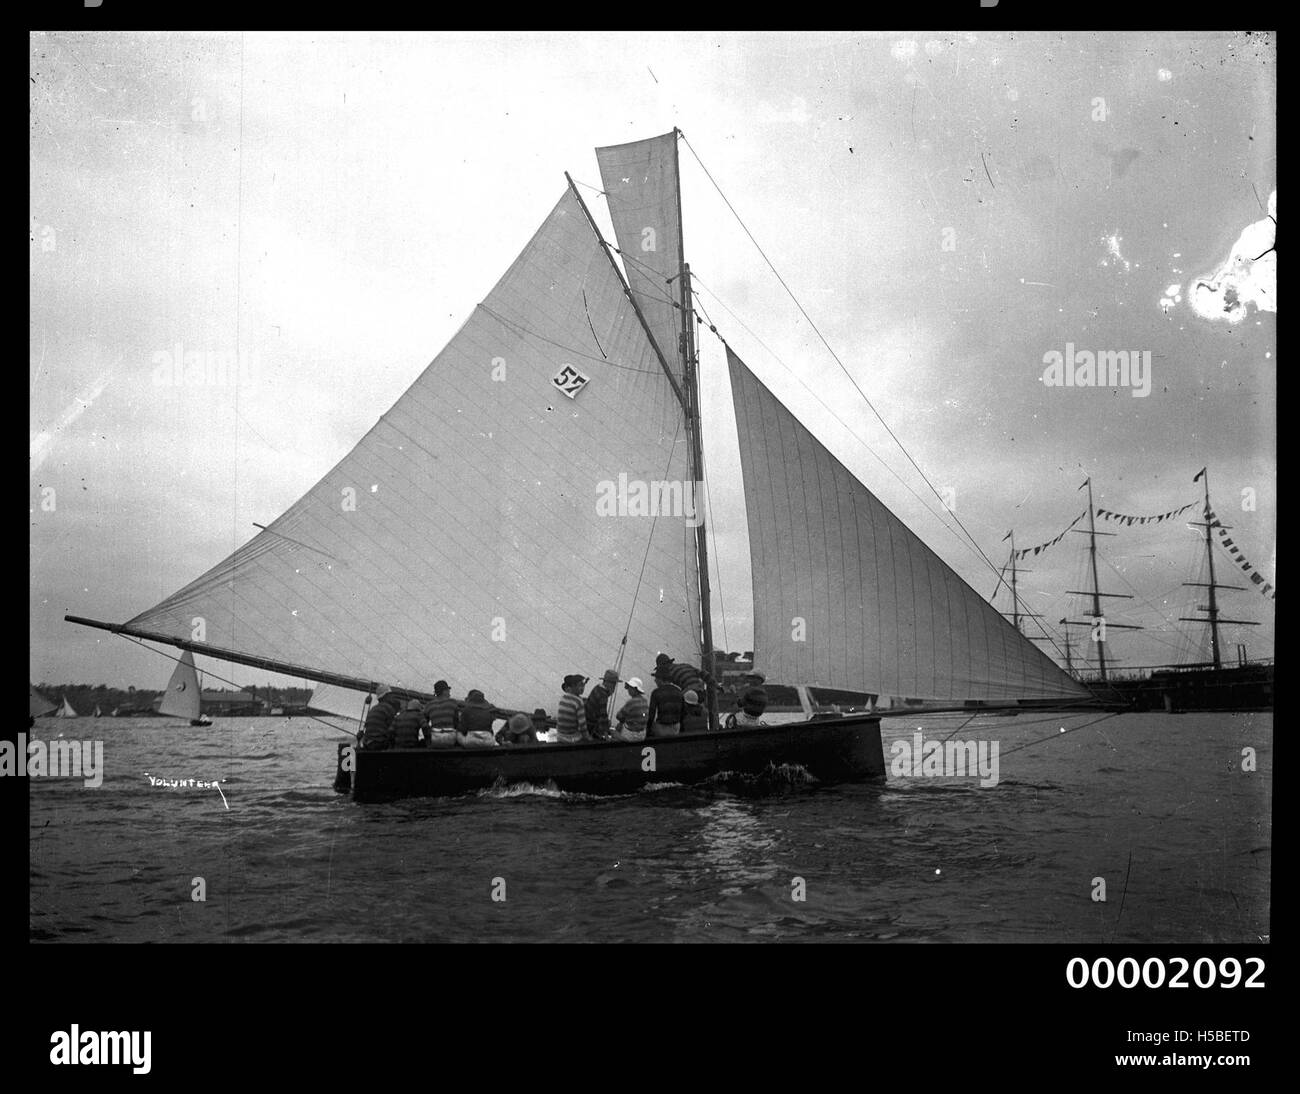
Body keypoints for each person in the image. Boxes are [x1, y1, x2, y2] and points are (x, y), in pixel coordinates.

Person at [646, 664, 685, 737]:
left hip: (661, 728)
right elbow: (683, 713)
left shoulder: (656, 692)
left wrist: (647, 729)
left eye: (656, 678)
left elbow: (651, 715)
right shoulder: (679, 691)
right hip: (676, 728)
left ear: (660, 679)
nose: (655, 680)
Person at [360, 685, 400, 750]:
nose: (391, 697)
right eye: (390, 695)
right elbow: (393, 729)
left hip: (368, 744)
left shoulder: (373, 709)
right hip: (380, 744)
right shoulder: (388, 708)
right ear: (386, 696)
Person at [422, 680, 459, 748]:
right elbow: (456, 724)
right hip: (451, 739)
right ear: (444, 691)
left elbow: (424, 724)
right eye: (448, 690)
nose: (449, 693)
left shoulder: (429, 705)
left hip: (435, 740)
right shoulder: (453, 703)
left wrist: (428, 740)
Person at [584, 668, 619, 741]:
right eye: (614, 684)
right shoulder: (603, 695)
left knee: (607, 723)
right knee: (607, 723)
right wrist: (607, 737)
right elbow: (603, 716)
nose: (614, 687)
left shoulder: (598, 687)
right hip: (590, 725)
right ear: (609, 683)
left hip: (586, 720)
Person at [556, 674, 589, 744]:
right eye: (580, 685)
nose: (582, 688)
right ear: (573, 686)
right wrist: (587, 736)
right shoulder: (579, 701)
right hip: (571, 738)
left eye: (583, 685)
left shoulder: (563, 697)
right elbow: (582, 725)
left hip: (560, 736)